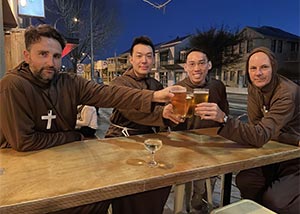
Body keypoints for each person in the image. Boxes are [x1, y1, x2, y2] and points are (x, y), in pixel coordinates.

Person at [0, 24, 182, 214]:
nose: (51, 63)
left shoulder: (68, 82)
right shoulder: (13, 85)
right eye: (42, 54)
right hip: (24, 172)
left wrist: (154, 96)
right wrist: (73, 136)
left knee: (99, 198)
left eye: (56, 56)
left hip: (60, 163)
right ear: (27, 55)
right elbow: (24, 141)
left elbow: (109, 94)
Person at [196, 46, 300, 213]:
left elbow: (259, 135)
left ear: (273, 68)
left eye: (264, 67)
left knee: (276, 201)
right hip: (274, 151)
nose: (258, 73)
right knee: (246, 180)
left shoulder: (286, 93)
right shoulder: (254, 86)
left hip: (294, 157)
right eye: (253, 68)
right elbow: (256, 127)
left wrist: (223, 119)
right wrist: (288, 138)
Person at [105, 36, 178, 214]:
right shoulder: (120, 83)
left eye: (148, 56)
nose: (144, 60)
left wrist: (171, 120)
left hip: (150, 142)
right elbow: (132, 111)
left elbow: (164, 115)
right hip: (121, 140)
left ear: (153, 59)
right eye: (139, 56)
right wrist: (162, 114)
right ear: (131, 59)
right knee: (128, 188)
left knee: (162, 179)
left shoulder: (155, 84)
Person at [172, 48, 229, 213]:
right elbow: (169, 124)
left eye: (201, 63)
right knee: (194, 184)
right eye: (192, 64)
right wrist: (176, 118)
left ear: (209, 65)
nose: (197, 68)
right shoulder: (178, 89)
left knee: (208, 182)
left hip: (212, 143)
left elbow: (226, 114)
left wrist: (220, 117)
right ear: (186, 67)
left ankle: (199, 203)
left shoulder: (217, 86)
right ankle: (191, 205)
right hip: (186, 146)